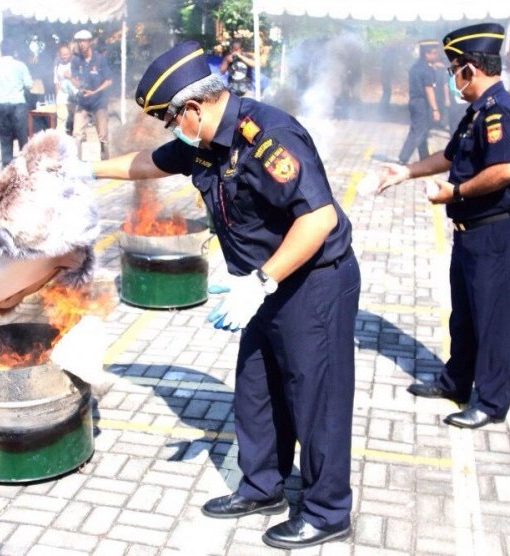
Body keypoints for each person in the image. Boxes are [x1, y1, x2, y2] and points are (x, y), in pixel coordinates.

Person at [73, 41, 360, 551]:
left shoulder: (268, 136)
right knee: (257, 390)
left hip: (311, 283)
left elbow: (319, 218)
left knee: (316, 397)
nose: (170, 129)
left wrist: (263, 280)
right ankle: (262, 487)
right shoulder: (204, 137)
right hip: (263, 286)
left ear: (193, 107)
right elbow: (151, 163)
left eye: (170, 118)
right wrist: (85, 172)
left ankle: (326, 510)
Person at [377, 23, 510, 430]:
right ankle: (456, 382)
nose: (451, 76)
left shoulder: (501, 111)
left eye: (454, 68)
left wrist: (454, 193)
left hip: (497, 231)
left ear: (470, 68)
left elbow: (507, 169)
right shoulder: (476, 111)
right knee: (465, 313)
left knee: (494, 319)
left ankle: (492, 402)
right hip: (472, 233)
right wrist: (406, 171)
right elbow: (449, 155)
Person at [0, 38, 33, 167]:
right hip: (18, 105)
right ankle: (25, 164)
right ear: (14, 51)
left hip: (1, 104)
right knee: (22, 136)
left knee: (5, 137)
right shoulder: (20, 66)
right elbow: (29, 85)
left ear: (1, 51)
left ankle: (7, 167)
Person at [71, 29, 112, 160]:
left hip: (99, 102)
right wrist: (78, 84)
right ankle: (76, 162)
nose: (81, 44)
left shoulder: (100, 59)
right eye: (79, 41)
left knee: (103, 136)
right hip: (82, 101)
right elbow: (73, 77)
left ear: (90, 42)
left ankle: (105, 162)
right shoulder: (76, 60)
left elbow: (109, 80)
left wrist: (94, 92)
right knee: (76, 134)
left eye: (83, 41)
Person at [398, 40, 442, 164]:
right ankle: (403, 158)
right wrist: (435, 109)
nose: (435, 56)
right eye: (433, 53)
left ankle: (425, 157)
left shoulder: (416, 66)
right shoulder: (426, 70)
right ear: (426, 54)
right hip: (422, 103)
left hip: (415, 101)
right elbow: (429, 90)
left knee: (423, 130)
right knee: (417, 130)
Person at [54, 43, 76, 134]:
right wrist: (57, 96)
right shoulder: (57, 66)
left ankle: (76, 136)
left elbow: (80, 80)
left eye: (67, 54)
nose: (65, 56)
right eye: (63, 54)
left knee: (75, 118)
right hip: (62, 96)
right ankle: (60, 136)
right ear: (59, 55)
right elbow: (56, 82)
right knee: (62, 117)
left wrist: (70, 76)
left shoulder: (74, 64)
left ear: (70, 54)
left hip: (73, 95)